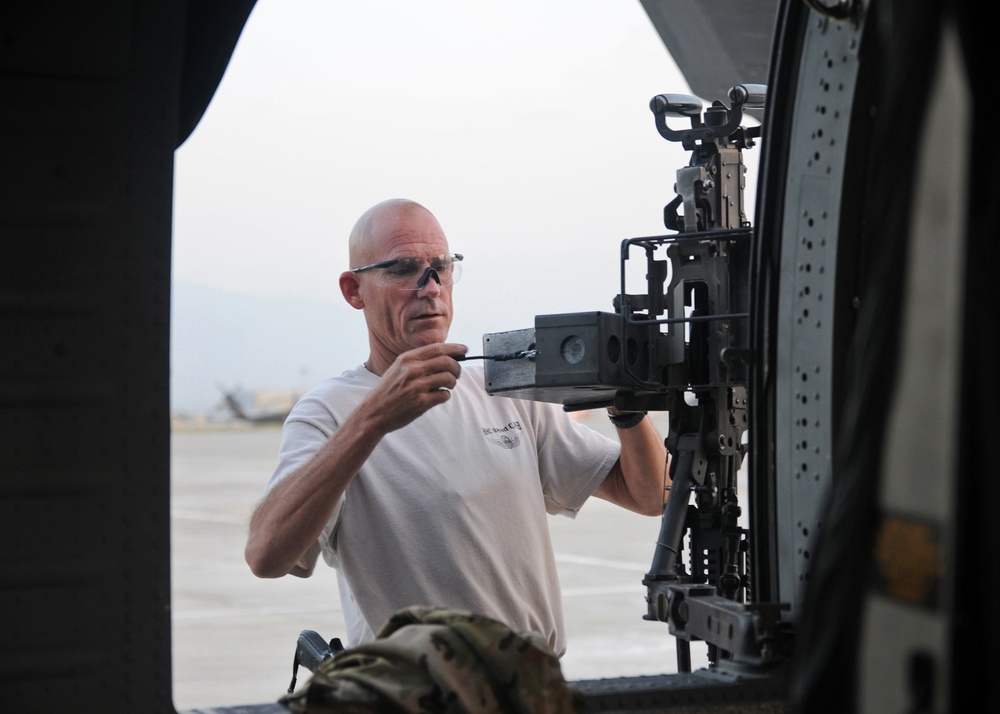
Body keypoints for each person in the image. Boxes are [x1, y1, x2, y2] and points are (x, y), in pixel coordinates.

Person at [245, 198, 669, 657]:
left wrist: (626, 405)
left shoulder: (501, 386)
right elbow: (267, 556)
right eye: (405, 269)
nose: (430, 288)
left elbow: (650, 495)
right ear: (354, 290)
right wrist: (371, 421)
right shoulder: (329, 413)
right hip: (417, 695)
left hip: (530, 688)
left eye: (442, 268)